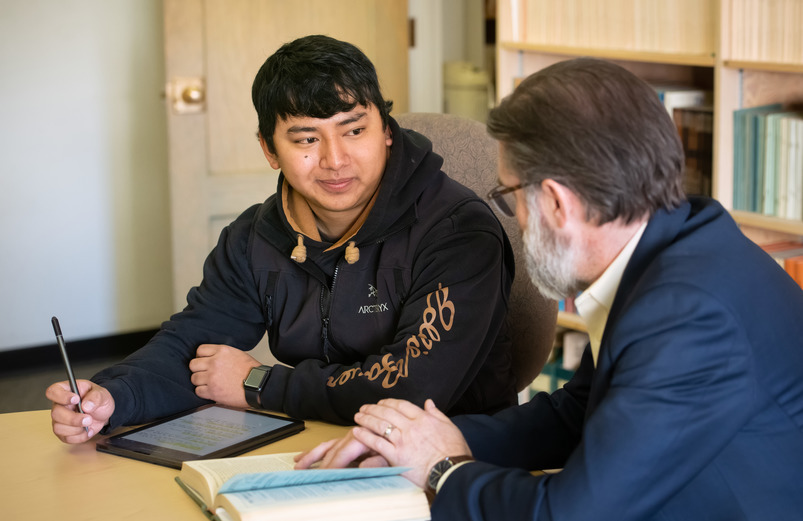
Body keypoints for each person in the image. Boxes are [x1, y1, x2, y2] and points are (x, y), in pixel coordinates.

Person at [296, 57, 803, 519]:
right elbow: (576, 415)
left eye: (509, 195)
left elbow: (571, 514)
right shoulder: (672, 245)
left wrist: (442, 469)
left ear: (557, 202)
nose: (514, 216)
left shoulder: (687, 314)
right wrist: (423, 440)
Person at [46, 35, 518, 443]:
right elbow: (195, 345)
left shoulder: (458, 232)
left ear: (387, 131)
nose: (335, 160)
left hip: (450, 458)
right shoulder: (256, 237)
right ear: (269, 149)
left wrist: (258, 384)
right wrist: (113, 396)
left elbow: (411, 390)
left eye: (355, 130)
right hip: (315, 443)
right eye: (307, 140)